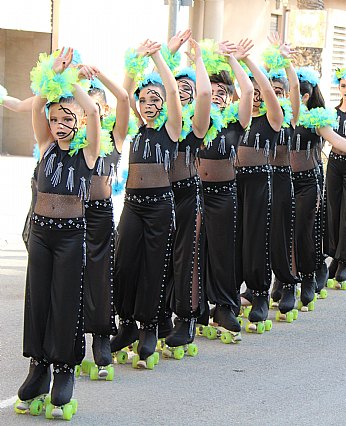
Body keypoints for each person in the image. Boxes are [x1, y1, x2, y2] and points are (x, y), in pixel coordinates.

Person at [17, 48, 100, 418]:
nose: (58, 123)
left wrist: (74, 84)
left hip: (70, 237)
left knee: (66, 302)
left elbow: (95, 111)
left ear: (78, 121)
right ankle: (39, 367)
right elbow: (37, 106)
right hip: (41, 234)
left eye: (66, 117)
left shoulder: (88, 154)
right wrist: (52, 74)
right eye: (54, 118)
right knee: (37, 302)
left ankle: (64, 369)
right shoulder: (46, 146)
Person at [111, 40, 182, 368]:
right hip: (133, 204)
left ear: (165, 104)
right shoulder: (132, 131)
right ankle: (126, 325)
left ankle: (150, 326)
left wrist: (157, 55)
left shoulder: (172, 129)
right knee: (124, 263)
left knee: (155, 267)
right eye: (144, 99)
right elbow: (123, 96)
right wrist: (134, 62)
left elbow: (170, 86)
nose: (148, 103)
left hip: (160, 206)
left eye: (155, 99)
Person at [292, 66, 346, 307]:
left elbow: (336, 139)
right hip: (287, 179)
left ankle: (318, 269)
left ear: (304, 97)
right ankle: (286, 279)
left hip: (313, 178)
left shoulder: (317, 117)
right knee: (288, 231)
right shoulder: (280, 115)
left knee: (307, 229)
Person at [198, 39, 251, 343]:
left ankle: (225, 306)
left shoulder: (235, 121)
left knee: (222, 252)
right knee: (196, 251)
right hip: (195, 193)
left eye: (222, 93)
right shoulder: (198, 121)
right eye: (212, 91)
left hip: (223, 194)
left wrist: (234, 61)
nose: (216, 96)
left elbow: (249, 93)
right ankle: (196, 306)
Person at [163, 37, 212, 355]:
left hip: (187, 196)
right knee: (159, 259)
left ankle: (187, 318)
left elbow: (206, 92)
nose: (181, 92)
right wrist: (163, 53)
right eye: (176, 89)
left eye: (187, 90)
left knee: (186, 259)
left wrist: (197, 59)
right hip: (156, 197)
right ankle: (158, 317)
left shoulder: (196, 126)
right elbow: (154, 86)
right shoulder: (158, 123)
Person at [81, 71, 131, 380]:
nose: (89, 115)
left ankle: (101, 338)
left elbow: (125, 97)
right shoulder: (72, 140)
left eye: (95, 108)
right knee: (70, 279)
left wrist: (99, 74)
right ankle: (69, 342)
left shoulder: (115, 136)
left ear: (105, 112)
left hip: (99, 214)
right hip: (70, 217)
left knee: (100, 279)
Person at [236, 39, 284, 333]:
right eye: (248, 92)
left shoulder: (273, 119)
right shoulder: (236, 119)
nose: (254, 97)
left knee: (256, 240)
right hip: (232, 184)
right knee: (233, 240)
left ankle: (259, 294)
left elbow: (265, 91)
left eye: (257, 93)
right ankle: (231, 295)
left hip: (259, 183)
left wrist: (248, 62)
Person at [263, 35, 303, 323]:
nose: (274, 94)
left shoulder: (289, 117)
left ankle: (289, 283)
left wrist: (284, 59)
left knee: (281, 235)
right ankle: (258, 290)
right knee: (258, 238)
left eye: (280, 91)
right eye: (270, 90)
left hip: (280, 180)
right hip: (255, 183)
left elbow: (297, 87)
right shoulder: (254, 117)